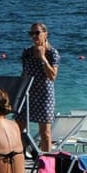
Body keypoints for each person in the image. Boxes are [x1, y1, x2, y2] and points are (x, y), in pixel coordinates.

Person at [20, 23, 60, 151]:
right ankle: (19, 156)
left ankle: (46, 163)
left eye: (37, 33)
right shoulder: (27, 52)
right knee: (18, 128)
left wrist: (43, 58)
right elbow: (24, 73)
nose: (34, 36)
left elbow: (52, 76)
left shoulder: (52, 53)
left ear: (45, 34)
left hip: (44, 93)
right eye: (31, 33)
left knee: (45, 133)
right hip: (27, 92)